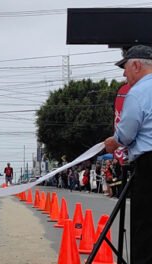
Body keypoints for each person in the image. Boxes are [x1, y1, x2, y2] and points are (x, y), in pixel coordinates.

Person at [104, 45, 152, 264]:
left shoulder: (138, 92)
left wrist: (113, 142)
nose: (124, 74)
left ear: (136, 64)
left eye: (125, 67)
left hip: (148, 163)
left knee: (144, 226)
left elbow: (127, 132)